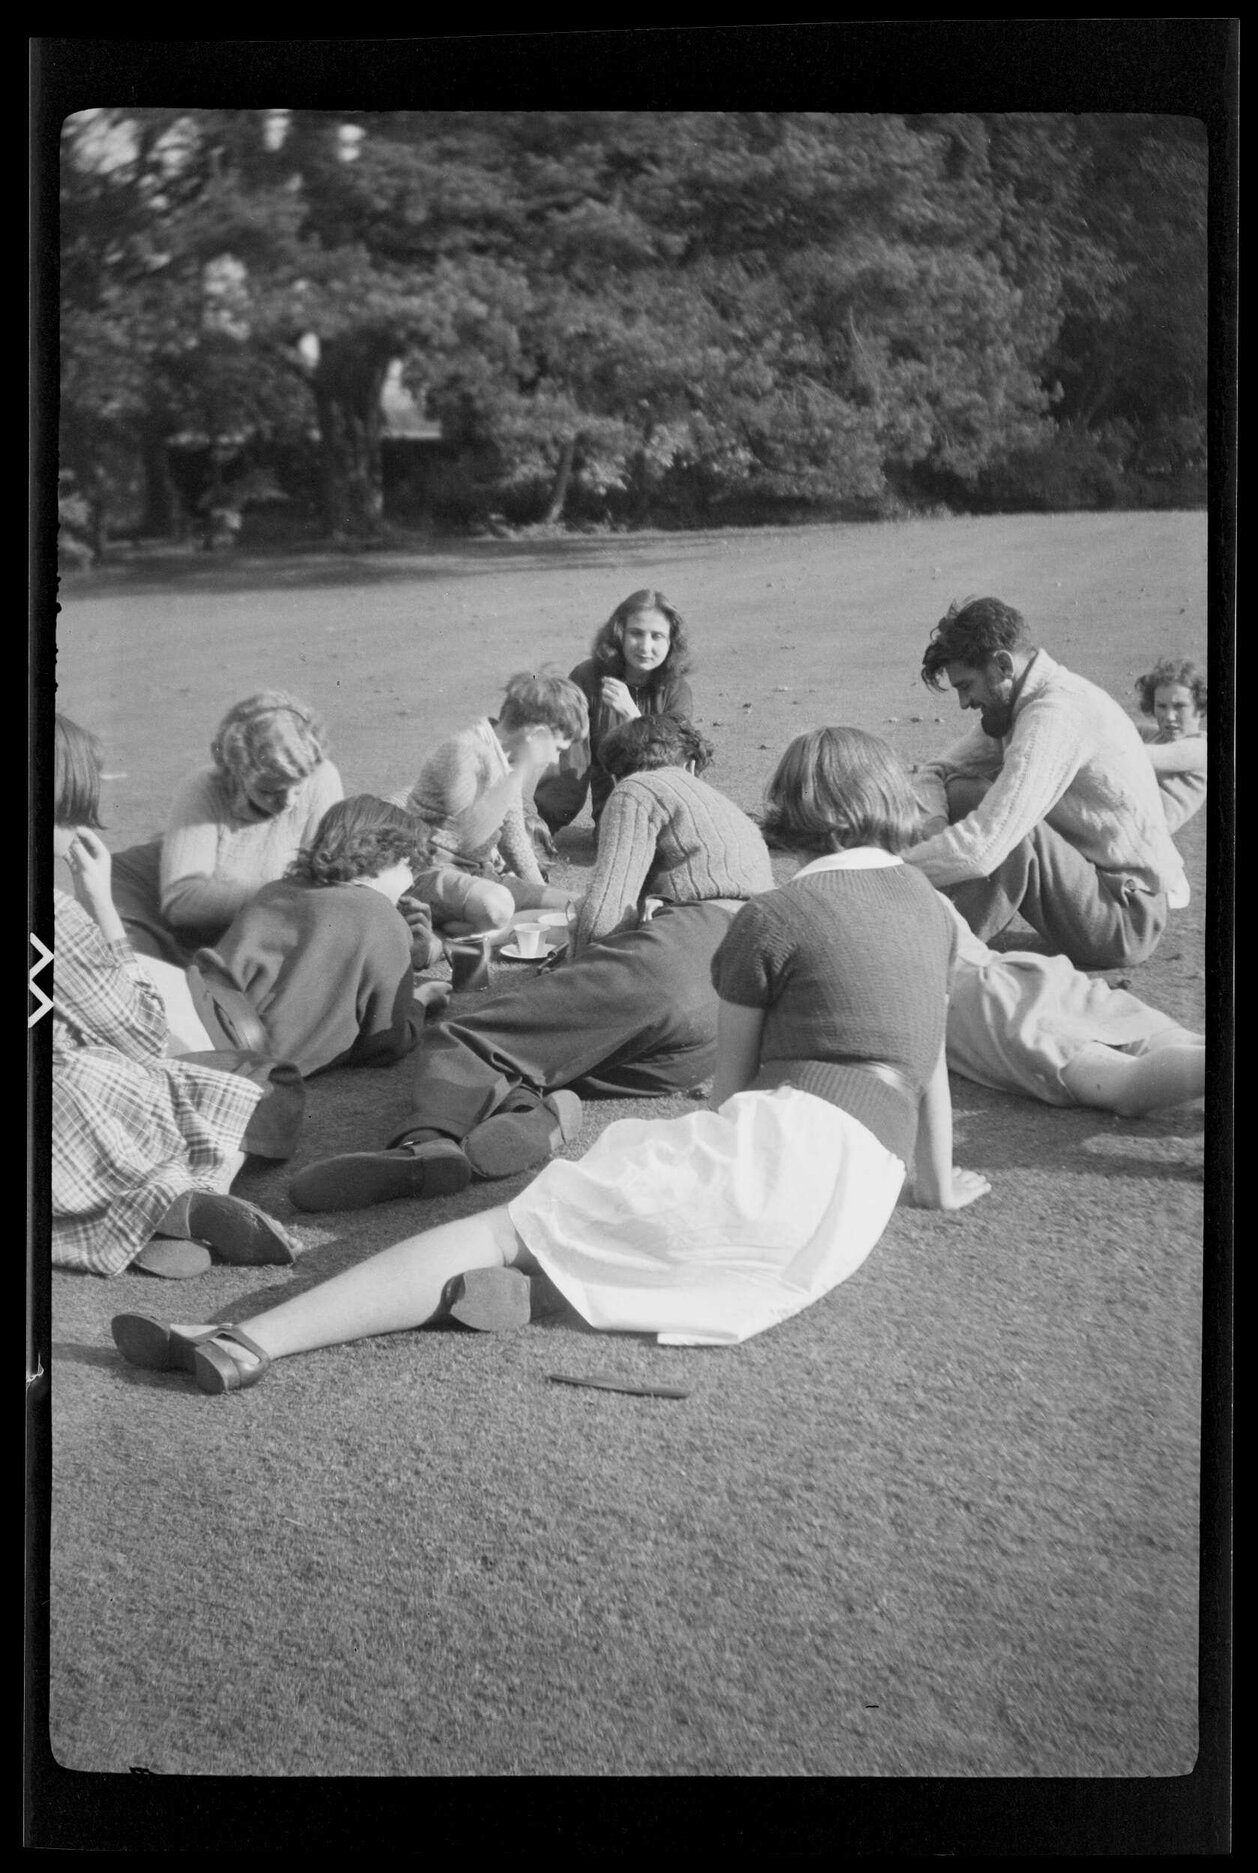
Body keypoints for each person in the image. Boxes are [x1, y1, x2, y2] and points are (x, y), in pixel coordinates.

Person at [109, 725, 991, 1391]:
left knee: (516, 1213)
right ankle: (521, 1247)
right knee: (604, 1188)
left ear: (796, 814)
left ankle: (253, 1338)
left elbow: (730, 1100)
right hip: (848, 1208)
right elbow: (929, 1073)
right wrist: (938, 1183)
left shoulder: (779, 915)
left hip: (781, 1145)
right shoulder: (928, 907)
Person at [285, 714, 777, 1209]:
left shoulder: (639, 789)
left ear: (618, 770)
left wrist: (572, 970)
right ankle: (532, 1117)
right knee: (550, 1053)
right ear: (691, 762)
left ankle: (426, 1145)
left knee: (468, 1040)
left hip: (680, 956)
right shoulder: (726, 813)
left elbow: (604, 912)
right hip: (718, 1023)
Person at [50, 715, 298, 1279]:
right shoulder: (55, 918)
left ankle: (167, 1213)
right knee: (262, 1079)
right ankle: (185, 1200)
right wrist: (101, 903)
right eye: (75, 814)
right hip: (75, 1109)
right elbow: (138, 1033)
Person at [904, 596, 1187, 969]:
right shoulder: (1019, 702)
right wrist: (932, 829)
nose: (963, 702)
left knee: (1008, 831)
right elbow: (937, 771)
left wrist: (888, 871)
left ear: (1003, 665)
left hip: (1125, 918)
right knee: (963, 791)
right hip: (1095, 892)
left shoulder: (1056, 714)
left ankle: (930, 955)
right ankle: (931, 936)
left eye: (966, 686)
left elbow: (983, 847)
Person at [195, 796, 441, 1078]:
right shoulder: (380, 914)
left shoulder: (274, 891)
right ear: (395, 858)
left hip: (194, 1021)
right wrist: (421, 1000)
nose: (411, 882)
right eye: (411, 868)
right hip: (237, 1066)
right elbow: (385, 1044)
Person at [111, 692, 344, 966]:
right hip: (204, 935)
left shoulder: (321, 775)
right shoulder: (203, 788)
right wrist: (283, 896)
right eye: (268, 790)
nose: (288, 801)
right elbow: (182, 902)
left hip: (269, 926)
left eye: (298, 786)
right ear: (235, 773)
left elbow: (327, 876)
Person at [943, 900, 1205, 1118]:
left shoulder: (905, 897)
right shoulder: (916, 880)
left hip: (980, 1002)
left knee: (1120, 1082)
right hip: (1029, 971)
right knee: (1160, 1039)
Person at [405, 671, 586, 938]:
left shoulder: (506, 761)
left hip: (478, 876)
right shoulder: (463, 751)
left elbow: (513, 840)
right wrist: (520, 770)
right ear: (536, 735)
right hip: (429, 874)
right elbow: (471, 834)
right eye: (557, 749)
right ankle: (444, 937)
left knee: (575, 907)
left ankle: (469, 930)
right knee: (496, 905)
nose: (555, 762)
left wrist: (539, 893)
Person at [531, 589, 695, 836]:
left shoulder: (677, 689)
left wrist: (633, 716)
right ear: (620, 634)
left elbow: (674, 764)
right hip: (616, 808)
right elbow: (570, 762)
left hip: (666, 807)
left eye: (657, 636)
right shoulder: (587, 678)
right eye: (636, 633)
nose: (645, 646)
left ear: (671, 642)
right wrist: (542, 826)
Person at [1135, 656, 1207, 837]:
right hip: (1126, 823)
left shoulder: (1200, 749)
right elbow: (1113, 725)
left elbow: (1136, 755)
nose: (1169, 716)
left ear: (1201, 708)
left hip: (1142, 839)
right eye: (1161, 706)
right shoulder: (1154, 735)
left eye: (1179, 706)